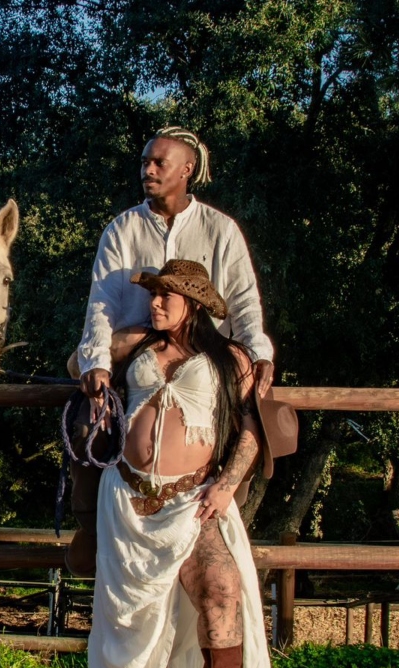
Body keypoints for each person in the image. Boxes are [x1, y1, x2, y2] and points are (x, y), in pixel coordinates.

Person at [87, 259, 276, 668]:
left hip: (193, 498)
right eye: (152, 295)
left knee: (220, 588)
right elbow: (79, 362)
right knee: (139, 612)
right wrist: (96, 367)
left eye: (164, 296)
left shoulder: (229, 358)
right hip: (128, 497)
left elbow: (254, 428)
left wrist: (228, 485)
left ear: (191, 303)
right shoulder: (137, 345)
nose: (154, 303)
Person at [66, 126, 274, 576]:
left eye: (159, 162)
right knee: (86, 424)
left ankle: (221, 514)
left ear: (188, 170)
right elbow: (101, 303)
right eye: (145, 162)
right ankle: (91, 527)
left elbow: (243, 299)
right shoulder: (122, 227)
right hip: (137, 348)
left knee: (246, 419)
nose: (149, 170)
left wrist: (257, 353)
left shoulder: (220, 229)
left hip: (206, 355)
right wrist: (99, 362)